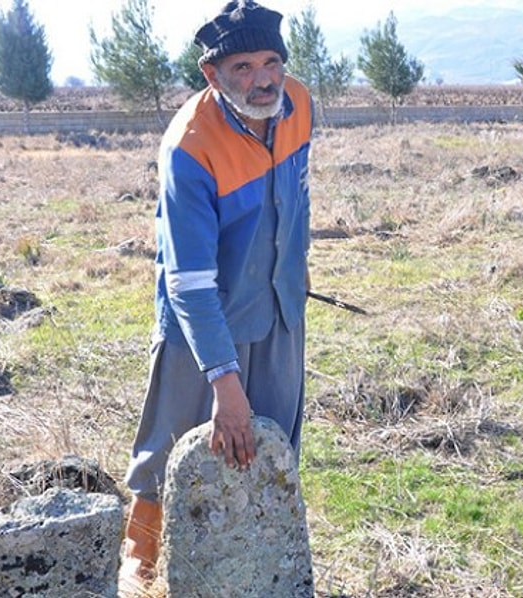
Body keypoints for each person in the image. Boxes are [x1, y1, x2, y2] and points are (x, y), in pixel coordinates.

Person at [118, 1, 313, 593]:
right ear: (212, 73)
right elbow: (189, 282)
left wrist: (294, 271)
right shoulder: (189, 147)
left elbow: (297, 197)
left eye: (272, 62)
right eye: (243, 67)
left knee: (272, 441)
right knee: (173, 445)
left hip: (279, 309)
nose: (263, 79)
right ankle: (142, 565)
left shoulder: (299, 104)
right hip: (201, 320)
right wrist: (224, 384)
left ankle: (264, 563)